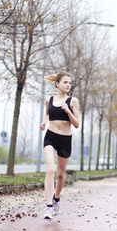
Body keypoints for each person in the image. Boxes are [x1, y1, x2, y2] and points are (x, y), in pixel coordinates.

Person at [40, 71, 80, 219]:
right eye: (65, 82)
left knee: (60, 174)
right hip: (50, 136)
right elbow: (47, 113)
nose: (68, 85)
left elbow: (76, 124)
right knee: (50, 170)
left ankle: (56, 199)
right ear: (57, 84)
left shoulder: (73, 101)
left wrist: (68, 111)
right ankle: (49, 206)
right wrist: (44, 123)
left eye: (70, 83)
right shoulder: (48, 99)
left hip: (65, 139)